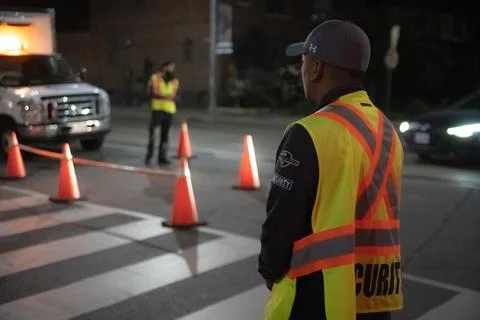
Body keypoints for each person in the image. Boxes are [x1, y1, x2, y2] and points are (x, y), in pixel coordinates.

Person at [258, 20, 404, 320]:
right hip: (375, 299)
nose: (302, 70)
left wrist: (270, 270)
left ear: (316, 69)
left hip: (318, 298)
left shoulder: (309, 133)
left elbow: (280, 222)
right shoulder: (387, 131)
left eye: (303, 62)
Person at [145, 61, 179, 165]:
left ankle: (162, 157)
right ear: (164, 68)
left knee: (165, 134)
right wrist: (164, 96)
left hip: (169, 109)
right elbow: (151, 92)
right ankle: (149, 154)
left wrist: (165, 96)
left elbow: (173, 94)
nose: (172, 70)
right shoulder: (155, 78)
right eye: (170, 67)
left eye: (173, 68)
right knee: (154, 133)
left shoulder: (175, 81)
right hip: (157, 109)